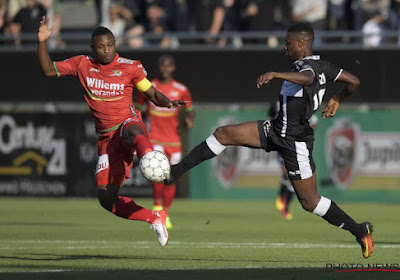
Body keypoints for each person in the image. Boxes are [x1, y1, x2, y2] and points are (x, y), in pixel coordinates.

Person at [165, 23, 374, 258]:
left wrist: (276, 74)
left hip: (295, 141)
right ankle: (175, 172)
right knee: (223, 133)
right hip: (275, 129)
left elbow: (307, 78)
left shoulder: (308, 67)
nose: (285, 47)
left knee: (310, 202)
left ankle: (360, 230)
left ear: (303, 44)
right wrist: (337, 98)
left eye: (289, 43)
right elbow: (353, 81)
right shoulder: (324, 65)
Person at [37, 16, 188, 247]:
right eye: (101, 46)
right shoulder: (82, 64)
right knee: (106, 199)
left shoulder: (131, 67)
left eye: (110, 45)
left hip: (127, 123)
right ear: (92, 48)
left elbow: (151, 92)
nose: (106, 50)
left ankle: (148, 156)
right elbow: (48, 70)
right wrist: (42, 42)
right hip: (106, 138)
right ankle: (155, 217)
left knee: (132, 128)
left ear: (115, 44)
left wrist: (167, 102)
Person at [136, 55, 194, 230]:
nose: (165, 69)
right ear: (159, 67)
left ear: (173, 68)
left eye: (168, 66)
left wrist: (190, 119)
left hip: (174, 140)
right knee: (157, 171)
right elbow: (138, 107)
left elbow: (190, 110)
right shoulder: (148, 86)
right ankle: (157, 206)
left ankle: (165, 213)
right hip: (155, 137)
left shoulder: (181, 89)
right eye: (162, 66)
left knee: (171, 176)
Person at [268, 101, 318, 220]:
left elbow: (314, 122)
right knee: (286, 173)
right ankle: (282, 197)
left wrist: (302, 131)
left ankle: (285, 204)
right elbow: (270, 121)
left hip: (298, 147)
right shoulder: (277, 105)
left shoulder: (305, 104)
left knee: (294, 176)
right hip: (282, 143)